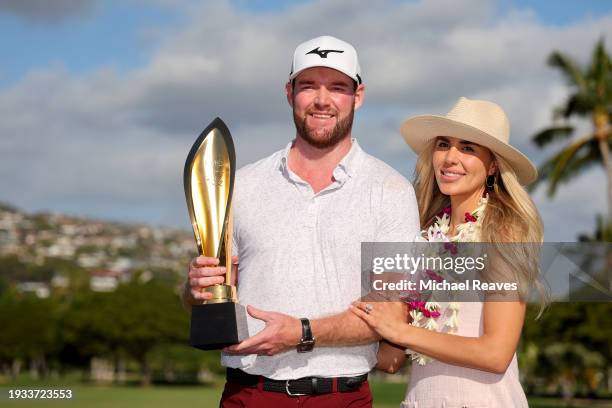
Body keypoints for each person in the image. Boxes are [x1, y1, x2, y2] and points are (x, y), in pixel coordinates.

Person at [182, 35, 420, 408]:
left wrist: (302, 332)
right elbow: (211, 299)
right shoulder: (241, 184)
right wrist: (195, 290)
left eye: (338, 87)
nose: (322, 100)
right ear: (289, 92)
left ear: (358, 96)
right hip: (249, 393)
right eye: (309, 86)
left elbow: (392, 311)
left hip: (342, 397)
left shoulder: (391, 189)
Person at [350, 97, 545, 408]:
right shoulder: (422, 238)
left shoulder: (501, 236)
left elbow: (496, 354)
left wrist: (400, 330)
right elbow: (391, 358)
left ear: (493, 165)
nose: (450, 157)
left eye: (468, 148)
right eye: (444, 144)